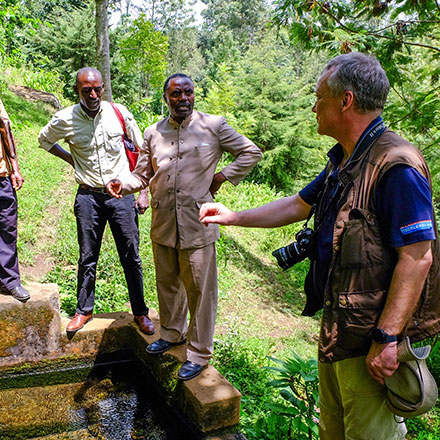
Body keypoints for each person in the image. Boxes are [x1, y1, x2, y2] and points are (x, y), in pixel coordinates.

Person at [199, 53, 440, 439]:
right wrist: (231, 216)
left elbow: (417, 256)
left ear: (345, 100)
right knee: (333, 431)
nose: (313, 106)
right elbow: (298, 205)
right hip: (338, 332)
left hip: (370, 346)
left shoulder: (396, 165)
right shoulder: (344, 160)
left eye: (319, 97)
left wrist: (387, 339)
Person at [106, 73, 262, 380]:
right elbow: (141, 176)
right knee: (168, 284)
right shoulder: (153, 133)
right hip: (163, 221)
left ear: (194, 95)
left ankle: (200, 353)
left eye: (188, 92)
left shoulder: (213, 126)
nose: (183, 99)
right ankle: (172, 333)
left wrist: (221, 177)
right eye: (176, 94)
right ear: (166, 98)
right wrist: (121, 185)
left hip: (198, 222)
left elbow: (251, 152)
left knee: (200, 292)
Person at [38, 67, 155, 335]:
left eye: (97, 89)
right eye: (86, 90)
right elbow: (44, 140)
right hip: (88, 196)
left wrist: (143, 190)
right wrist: (72, 159)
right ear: (77, 91)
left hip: (121, 195)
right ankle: (84, 310)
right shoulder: (65, 119)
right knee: (87, 256)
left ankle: (140, 313)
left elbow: (143, 149)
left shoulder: (119, 113)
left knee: (131, 255)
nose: (92, 94)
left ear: (103, 88)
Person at [0, 99, 30, 302]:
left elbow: (5, 128)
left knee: (7, 228)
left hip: (1, 176)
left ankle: (9, 281)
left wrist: (15, 168)